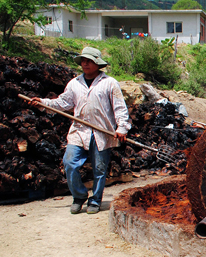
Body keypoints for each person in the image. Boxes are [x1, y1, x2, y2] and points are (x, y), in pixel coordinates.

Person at [25, 47, 131, 214]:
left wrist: (122, 128)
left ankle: (95, 201)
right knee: (69, 163)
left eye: (89, 61)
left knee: (100, 169)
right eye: (83, 60)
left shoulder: (110, 83)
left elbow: (120, 108)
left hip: (102, 133)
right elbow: (62, 103)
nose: (85, 63)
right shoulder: (75, 83)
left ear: (97, 63)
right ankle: (79, 196)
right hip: (79, 131)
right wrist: (43, 103)